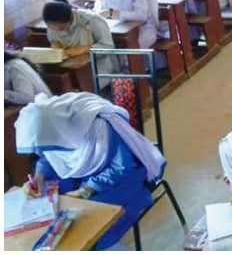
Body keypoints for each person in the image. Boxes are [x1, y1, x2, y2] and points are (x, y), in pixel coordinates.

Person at [17, 92, 167, 250]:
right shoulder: (54, 129)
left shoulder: (100, 127)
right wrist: (39, 177)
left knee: (89, 219)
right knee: (51, 203)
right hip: (84, 170)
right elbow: (48, 157)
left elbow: (121, 167)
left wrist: (86, 191)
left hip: (123, 176)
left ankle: (105, 247)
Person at [43, 0, 117, 75]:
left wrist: (83, 50)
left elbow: (108, 47)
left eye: (62, 28)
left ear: (70, 19)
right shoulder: (52, 22)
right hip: (68, 66)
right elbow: (53, 41)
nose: (57, 31)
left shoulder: (92, 19)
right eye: (51, 27)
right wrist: (56, 47)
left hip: (98, 67)